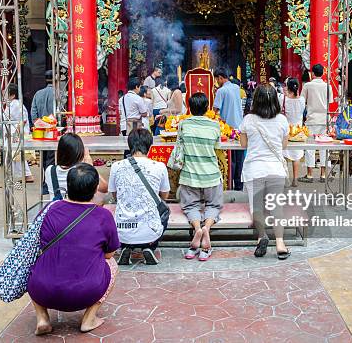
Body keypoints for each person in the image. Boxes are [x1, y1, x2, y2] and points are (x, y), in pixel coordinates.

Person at [27, 163, 120, 335]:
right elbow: (109, 253)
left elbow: (37, 244)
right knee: (112, 264)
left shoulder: (49, 209)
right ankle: (89, 318)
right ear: (94, 190)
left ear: (68, 186)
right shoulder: (104, 215)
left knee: (33, 263)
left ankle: (42, 318)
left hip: (42, 290)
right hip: (86, 292)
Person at [240, 84, 290, 259]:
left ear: (256, 100)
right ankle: (280, 243)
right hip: (275, 169)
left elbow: (243, 144)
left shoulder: (248, 120)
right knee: (277, 207)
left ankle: (262, 236)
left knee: (257, 207)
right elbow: (284, 145)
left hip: (254, 169)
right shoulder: (282, 120)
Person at [108, 129, 170, 265]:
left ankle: (126, 247)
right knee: (166, 210)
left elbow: (115, 195)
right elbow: (164, 195)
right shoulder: (159, 167)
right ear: (150, 146)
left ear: (129, 146)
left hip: (121, 231)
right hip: (150, 231)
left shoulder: (116, 166)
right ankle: (149, 246)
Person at [178, 92, 223, 261]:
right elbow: (217, 147)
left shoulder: (183, 125)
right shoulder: (214, 125)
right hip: (211, 174)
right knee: (214, 205)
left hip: (189, 174)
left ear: (189, 108)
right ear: (207, 108)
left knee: (190, 206)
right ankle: (207, 230)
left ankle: (197, 228)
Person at [44, 133, 108, 200]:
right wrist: (90, 166)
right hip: (80, 209)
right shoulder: (81, 172)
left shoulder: (50, 170)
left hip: (57, 208)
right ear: (79, 152)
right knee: (100, 197)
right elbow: (104, 188)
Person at [300, 64, 333, 182]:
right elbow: (330, 102)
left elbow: (302, 101)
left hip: (311, 119)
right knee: (324, 146)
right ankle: (323, 174)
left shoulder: (308, 85)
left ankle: (309, 174)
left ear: (312, 73)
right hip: (324, 119)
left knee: (310, 147)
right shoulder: (328, 86)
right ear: (323, 73)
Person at [213, 68, 244, 191]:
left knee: (230, 159)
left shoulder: (221, 91)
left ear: (221, 78)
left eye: (217, 79)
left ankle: (228, 185)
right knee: (239, 159)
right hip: (239, 128)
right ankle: (239, 185)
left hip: (227, 129)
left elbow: (215, 110)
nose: (216, 82)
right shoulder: (236, 88)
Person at [0, 84, 34, 183]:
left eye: (5, 95)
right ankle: (23, 175)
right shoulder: (11, 105)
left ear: (12, 95)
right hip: (11, 133)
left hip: (16, 134)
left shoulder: (16, 104)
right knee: (13, 155)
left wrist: (16, 134)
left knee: (16, 155)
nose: (4, 97)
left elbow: (23, 120)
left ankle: (26, 175)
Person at [31, 70, 55, 192]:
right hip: (53, 130)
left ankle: (44, 183)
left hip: (40, 131)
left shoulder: (37, 94)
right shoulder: (58, 93)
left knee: (43, 157)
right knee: (52, 158)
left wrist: (39, 125)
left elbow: (33, 114)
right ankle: (49, 184)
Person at [279, 78, 305, 187]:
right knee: (296, 156)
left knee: (284, 155)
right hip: (298, 131)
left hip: (286, 131)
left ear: (288, 88)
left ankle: (286, 179)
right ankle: (295, 179)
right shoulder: (302, 100)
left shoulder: (283, 99)